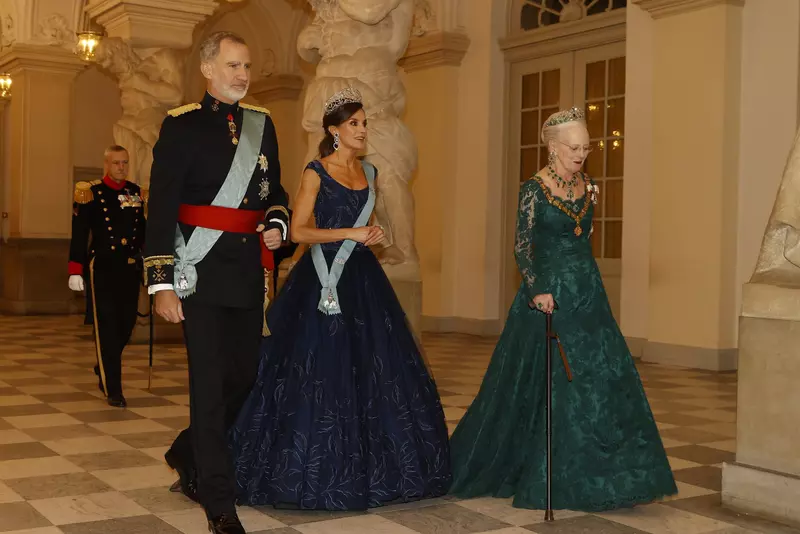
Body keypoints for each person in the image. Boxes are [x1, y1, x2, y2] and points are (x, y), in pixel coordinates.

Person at [228, 87, 451, 511]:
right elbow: (298, 232)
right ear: (334, 131)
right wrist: (348, 233)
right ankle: (311, 469)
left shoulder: (372, 174)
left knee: (374, 368)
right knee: (320, 367)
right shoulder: (316, 171)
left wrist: (375, 234)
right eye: (354, 124)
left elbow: (369, 223)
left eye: (364, 123)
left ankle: (379, 470)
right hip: (322, 280)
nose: (362, 130)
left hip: (363, 280)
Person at [448, 108, 677, 511]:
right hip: (547, 296)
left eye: (586, 147)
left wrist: (584, 281)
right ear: (553, 148)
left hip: (588, 293)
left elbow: (584, 236)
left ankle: (609, 473)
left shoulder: (590, 186)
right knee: (544, 381)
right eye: (574, 147)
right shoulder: (534, 189)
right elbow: (522, 247)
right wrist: (537, 289)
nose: (582, 154)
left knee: (600, 378)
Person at [142, 31, 289, 534]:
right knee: (207, 388)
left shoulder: (263, 125)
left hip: (248, 275)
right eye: (232, 65)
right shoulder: (181, 126)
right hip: (197, 276)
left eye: (247, 65)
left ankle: (188, 450)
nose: (242, 75)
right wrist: (161, 284)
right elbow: (160, 207)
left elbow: (276, 192)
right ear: (207, 69)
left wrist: (277, 225)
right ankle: (219, 503)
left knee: (242, 379)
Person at [68, 145, 145, 408]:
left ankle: (103, 364)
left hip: (130, 269)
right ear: (106, 164)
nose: (121, 167)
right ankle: (114, 389)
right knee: (107, 329)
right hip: (102, 269)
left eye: (124, 163)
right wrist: (74, 269)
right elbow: (79, 233)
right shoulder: (91, 193)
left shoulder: (136, 193)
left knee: (126, 326)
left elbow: (143, 233)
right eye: (116, 163)